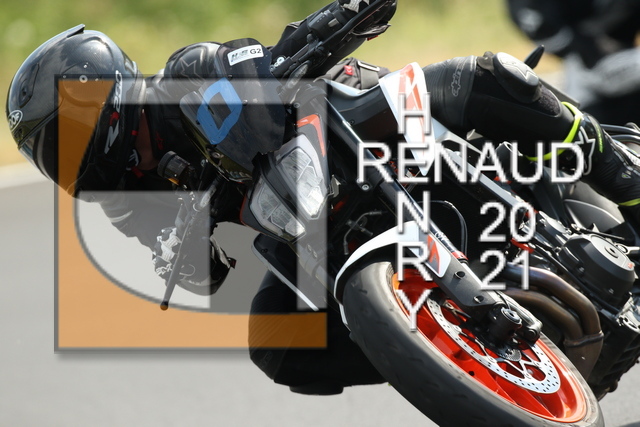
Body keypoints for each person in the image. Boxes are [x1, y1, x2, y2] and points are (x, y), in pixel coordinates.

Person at [6, 0, 640, 394]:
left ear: (103, 96)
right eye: (52, 155)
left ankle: (627, 176)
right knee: (279, 347)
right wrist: (187, 258)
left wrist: (337, 20)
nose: (68, 161)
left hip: (359, 126)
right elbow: (195, 270)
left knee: (485, 78)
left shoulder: (186, 75)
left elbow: (262, 61)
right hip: (310, 225)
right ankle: (458, 364)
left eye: (66, 138)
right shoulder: (133, 199)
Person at [506, 0, 640, 125]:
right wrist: (588, 48)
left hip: (617, 53)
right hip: (587, 69)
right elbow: (543, 27)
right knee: (586, 122)